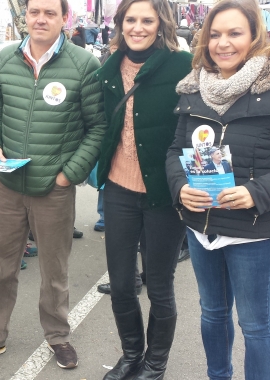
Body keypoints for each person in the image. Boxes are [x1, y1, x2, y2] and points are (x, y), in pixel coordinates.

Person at [167, 0, 270, 378]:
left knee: (254, 325)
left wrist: (257, 192)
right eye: (215, 34)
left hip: (254, 233)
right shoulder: (194, 89)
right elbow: (175, 150)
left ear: (255, 36)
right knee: (212, 314)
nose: (223, 43)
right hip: (201, 228)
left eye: (235, 33)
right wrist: (179, 187)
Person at [0, 0, 106, 370]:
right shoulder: (6, 58)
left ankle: (58, 336)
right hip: (9, 185)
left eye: (50, 12)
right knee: (2, 266)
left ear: (64, 18)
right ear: (25, 16)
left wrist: (68, 174)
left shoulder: (83, 64)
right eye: (35, 11)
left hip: (54, 190)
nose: (40, 19)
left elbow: (98, 128)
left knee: (54, 270)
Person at [94, 0, 192, 378]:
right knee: (120, 284)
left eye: (146, 20)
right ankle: (132, 355)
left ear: (160, 23)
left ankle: (155, 363)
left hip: (163, 194)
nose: (137, 27)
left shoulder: (181, 66)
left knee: (159, 285)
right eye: (130, 19)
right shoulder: (109, 66)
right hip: (118, 189)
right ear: (120, 23)